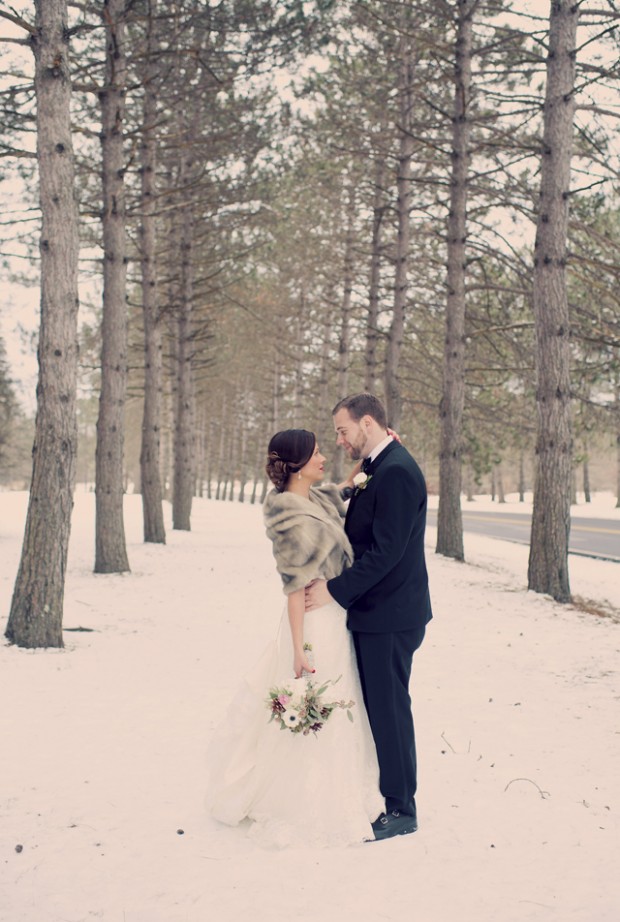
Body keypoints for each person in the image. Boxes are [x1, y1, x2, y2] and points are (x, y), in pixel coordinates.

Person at [205, 428, 384, 847]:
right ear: (298, 465)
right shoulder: (287, 517)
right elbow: (293, 591)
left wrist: (373, 456)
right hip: (312, 626)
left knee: (342, 702)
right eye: (317, 453)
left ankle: (343, 783)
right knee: (320, 698)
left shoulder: (313, 497)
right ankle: (302, 796)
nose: (324, 458)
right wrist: (301, 651)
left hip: (334, 616)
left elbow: (344, 489)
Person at [305, 393, 432, 841]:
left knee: (390, 710)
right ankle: (396, 800)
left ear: (367, 424)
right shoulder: (381, 466)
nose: (339, 439)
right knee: (383, 709)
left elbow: (386, 552)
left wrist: (333, 592)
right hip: (381, 611)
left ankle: (401, 809)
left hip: (390, 614)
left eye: (342, 430)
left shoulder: (395, 472)